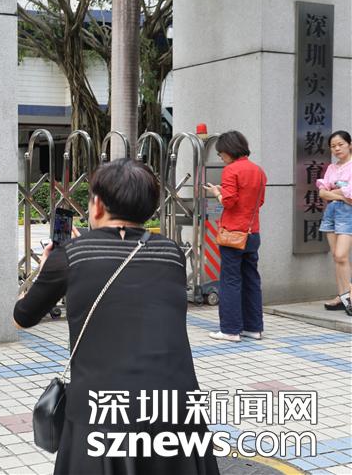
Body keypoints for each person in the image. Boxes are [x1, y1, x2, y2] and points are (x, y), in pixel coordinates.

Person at [14, 158, 219, 475]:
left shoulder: (71, 255)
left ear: (96, 205)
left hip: (102, 409)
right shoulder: (172, 254)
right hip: (176, 405)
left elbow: (22, 317)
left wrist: (47, 268)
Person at [203, 131, 267, 342]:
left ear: (229, 150)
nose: (221, 157)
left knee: (230, 281)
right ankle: (254, 328)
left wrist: (217, 193)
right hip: (252, 233)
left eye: (221, 153)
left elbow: (229, 202)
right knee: (251, 280)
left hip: (233, 234)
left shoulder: (231, 170)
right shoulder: (258, 170)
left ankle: (230, 330)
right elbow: (259, 202)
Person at [316, 130, 352, 314]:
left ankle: (349, 296)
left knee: (341, 256)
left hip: (347, 213)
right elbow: (322, 192)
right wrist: (340, 194)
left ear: (350, 145)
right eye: (333, 146)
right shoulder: (331, 167)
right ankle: (342, 296)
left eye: (340, 144)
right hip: (331, 212)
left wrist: (333, 192)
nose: (337, 148)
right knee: (336, 258)